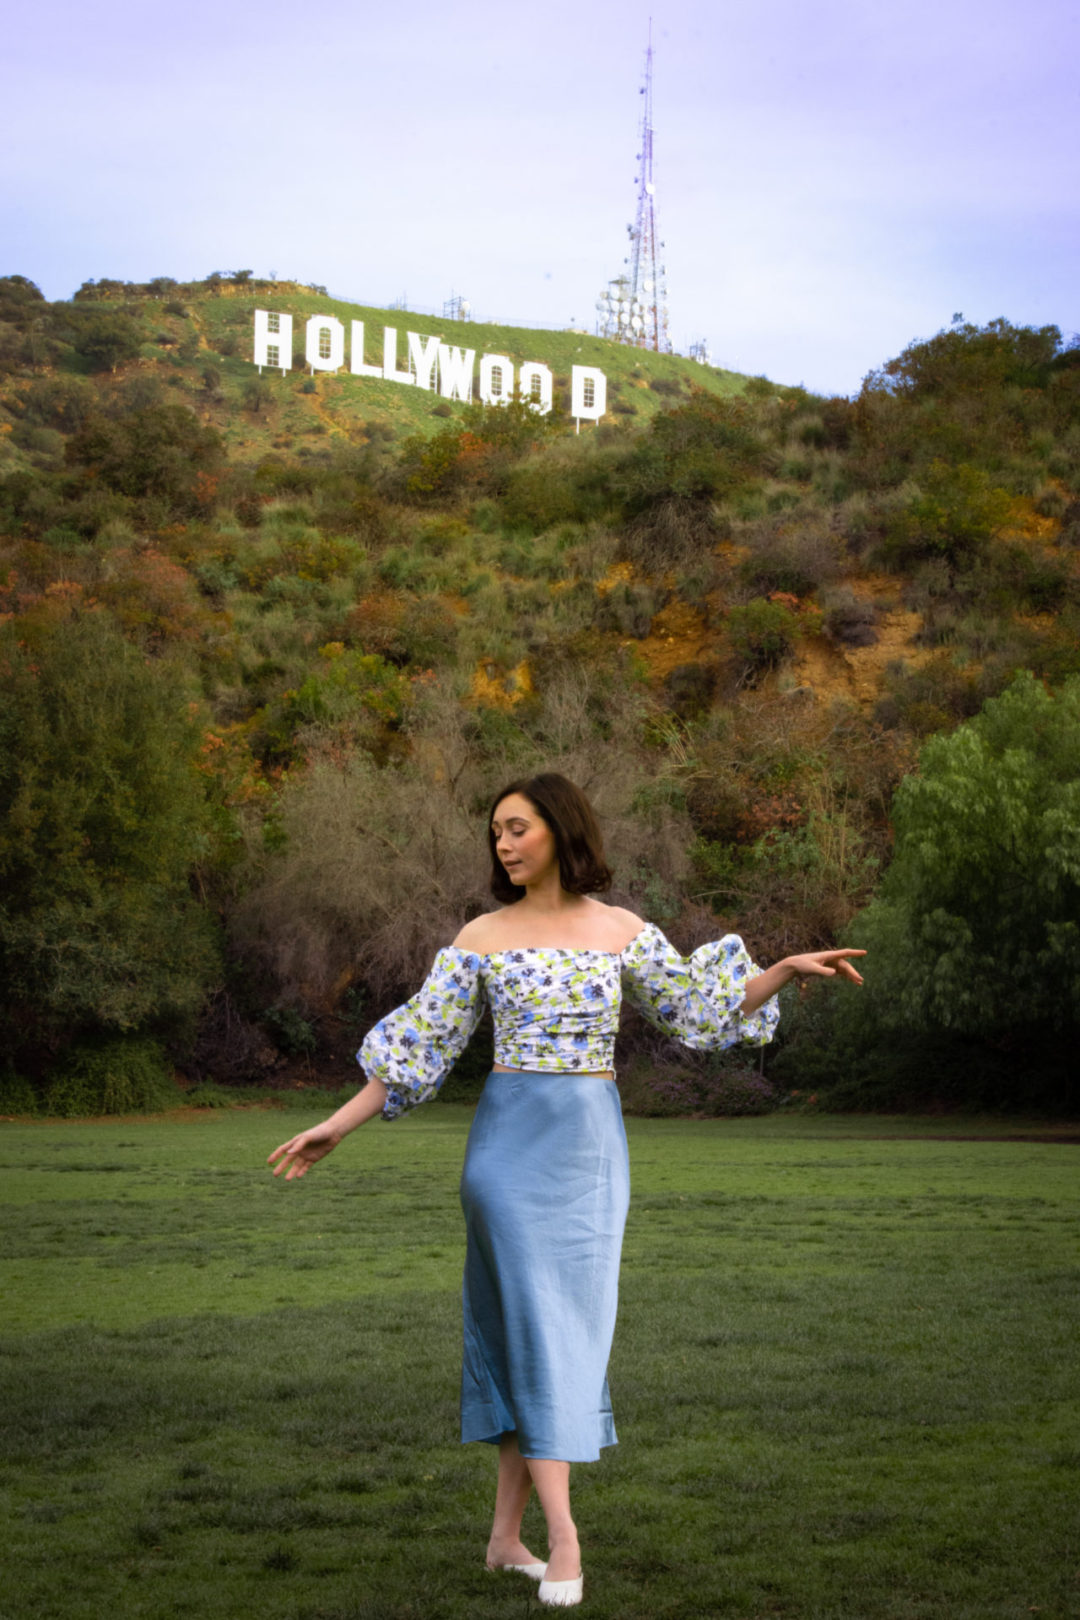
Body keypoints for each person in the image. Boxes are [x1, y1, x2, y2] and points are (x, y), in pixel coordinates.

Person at [268, 773, 864, 1607]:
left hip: (590, 1158)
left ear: (560, 828)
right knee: (539, 1332)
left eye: (516, 828)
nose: (503, 845)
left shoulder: (622, 931)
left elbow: (703, 1007)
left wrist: (785, 972)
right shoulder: (481, 936)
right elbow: (419, 1046)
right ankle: (566, 1536)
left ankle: (504, 1538)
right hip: (507, 1157)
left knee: (549, 1335)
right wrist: (339, 1122)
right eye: (496, 833)